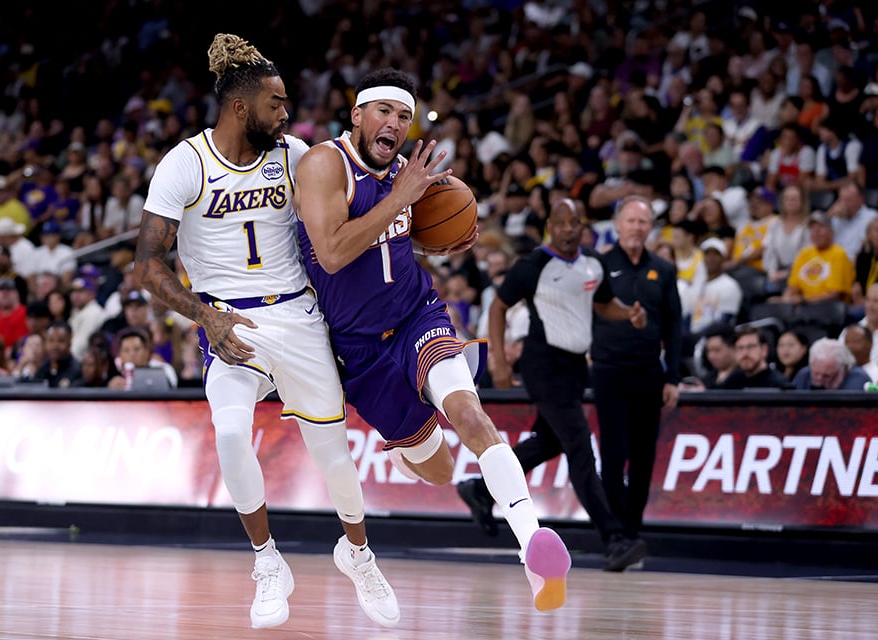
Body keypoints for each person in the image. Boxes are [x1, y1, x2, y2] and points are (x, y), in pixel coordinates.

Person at [133, 34, 398, 629]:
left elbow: (347, 203)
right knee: (229, 434)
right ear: (239, 108)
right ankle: (268, 561)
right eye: (277, 104)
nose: (286, 115)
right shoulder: (185, 162)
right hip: (231, 321)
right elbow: (146, 265)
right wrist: (205, 316)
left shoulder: (296, 155)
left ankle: (358, 553)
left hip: (299, 315)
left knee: (333, 456)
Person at [294, 67, 571, 611]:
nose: (394, 124)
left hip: (420, 315)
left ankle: (532, 548)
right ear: (357, 115)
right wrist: (400, 199)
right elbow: (331, 252)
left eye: (404, 115)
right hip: (360, 349)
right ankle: (404, 453)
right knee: (440, 468)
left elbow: (414, 231)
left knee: (470, 412)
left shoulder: (409, 172)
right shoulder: (325, 163)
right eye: (384, 111)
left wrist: (444, 230)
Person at [456, 199, 648, 572]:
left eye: (574, 223)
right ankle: (614, 539)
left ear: (582, 226)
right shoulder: (532, 266)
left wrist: (629, 313)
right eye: (560, 223)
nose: (567, 229)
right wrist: (498, 361)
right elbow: (498, 307)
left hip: (576, 367)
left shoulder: (594, 261)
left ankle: (480, 490)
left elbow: (604, 303)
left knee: (549, 442)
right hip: (543, 364)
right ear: (549, 226)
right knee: (579, 447)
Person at [591, 196, 682, 543]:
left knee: (644, 456)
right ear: (617, 225)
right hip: (609, 371)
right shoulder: (598, 265)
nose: (636, 228)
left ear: (651, 228)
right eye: (630, 221)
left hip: (648, 373)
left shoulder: (663, 268)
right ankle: (614, 533)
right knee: (613, 454)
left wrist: (673, 376)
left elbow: (674, 326)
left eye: (643, 222)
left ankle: (633, 529)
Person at [718, 326, 789, 388]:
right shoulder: (732, 381)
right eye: (740, 348)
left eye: (751, 347)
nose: (745, 353)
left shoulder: (779, 384)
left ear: (764, 349)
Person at [791, 337, 871, 390]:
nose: (819, 380)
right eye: (815, 374)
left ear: (844, 369)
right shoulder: (805, 374)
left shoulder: (858, 380)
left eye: (826, 376)